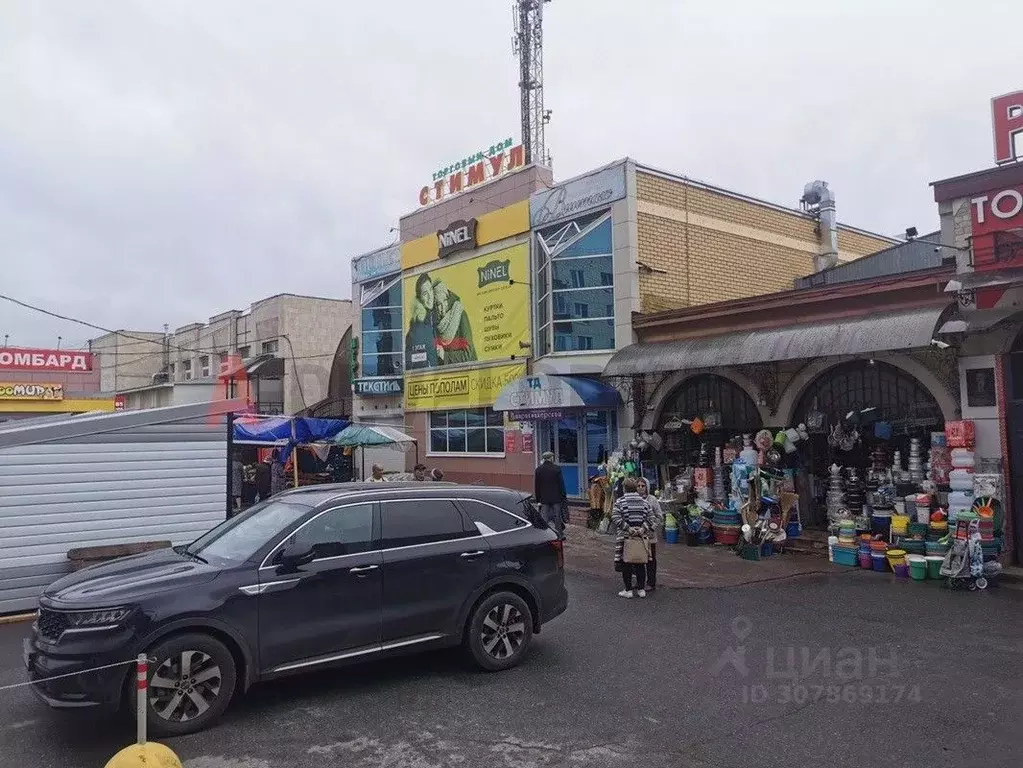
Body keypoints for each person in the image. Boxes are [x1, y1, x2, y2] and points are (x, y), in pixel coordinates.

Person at [612, 477, 655, 598]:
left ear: (624, 488)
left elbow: (615, 517)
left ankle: (628, 590)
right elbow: (651, 519)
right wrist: (642, 529)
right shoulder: (644, 502)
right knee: (640, 562)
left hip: (625, 537)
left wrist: (627, 528)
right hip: (641, 537)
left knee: (627, 563)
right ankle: (641, 589)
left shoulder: (620, 502)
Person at [432, 280, 477, 366]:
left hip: (468, 371)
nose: (441, 308)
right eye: (438, 304)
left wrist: (444, 355)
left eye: (443, 302)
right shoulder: (436, 323)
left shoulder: (459, 314)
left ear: (448, 299)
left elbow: (467, 353)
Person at [405, 274, 439, 370]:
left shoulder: (437, 315)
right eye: (425, 293)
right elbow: (412, 360)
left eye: (431, 290)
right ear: (419, 298)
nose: (430, 296)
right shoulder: (417, 327)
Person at [636, 478, 663, 591]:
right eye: (639, 485)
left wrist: (652, 527)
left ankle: (651, 582)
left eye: (643, 485)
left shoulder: (652, 500)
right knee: (638, 559)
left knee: (651, 559)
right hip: (638, 535)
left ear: (647, 486)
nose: (641, 488)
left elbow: (659, 516)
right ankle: (640, 582)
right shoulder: (635, 499)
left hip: (650, 535)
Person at [534, 451, 567, 540]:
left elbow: (537, 486)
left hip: (544, 498)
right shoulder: (556, 469)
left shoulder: (538, 470)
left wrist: (538, 499)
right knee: (557, 517)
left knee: (544, 518)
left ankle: (545, 536)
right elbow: (561, 484)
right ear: (550, 458)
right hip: (556, 498)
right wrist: (563, 496)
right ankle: (560, 535)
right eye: (552, 457)